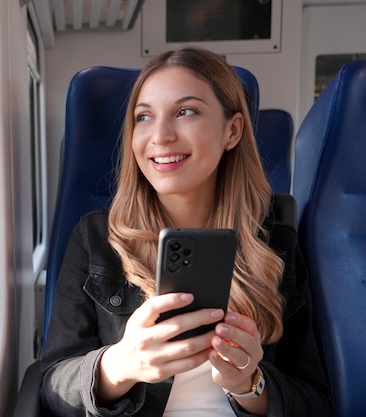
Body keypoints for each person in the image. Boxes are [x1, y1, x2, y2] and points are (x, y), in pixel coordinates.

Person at [40, 47, 332, 417]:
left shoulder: (276, 245)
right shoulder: (95, 238)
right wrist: (119, 366)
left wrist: (249, 385)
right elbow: (53, 385)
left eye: (186, 111)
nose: (160, 135)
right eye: (143, 117)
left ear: (232, 130)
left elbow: (316, 403)